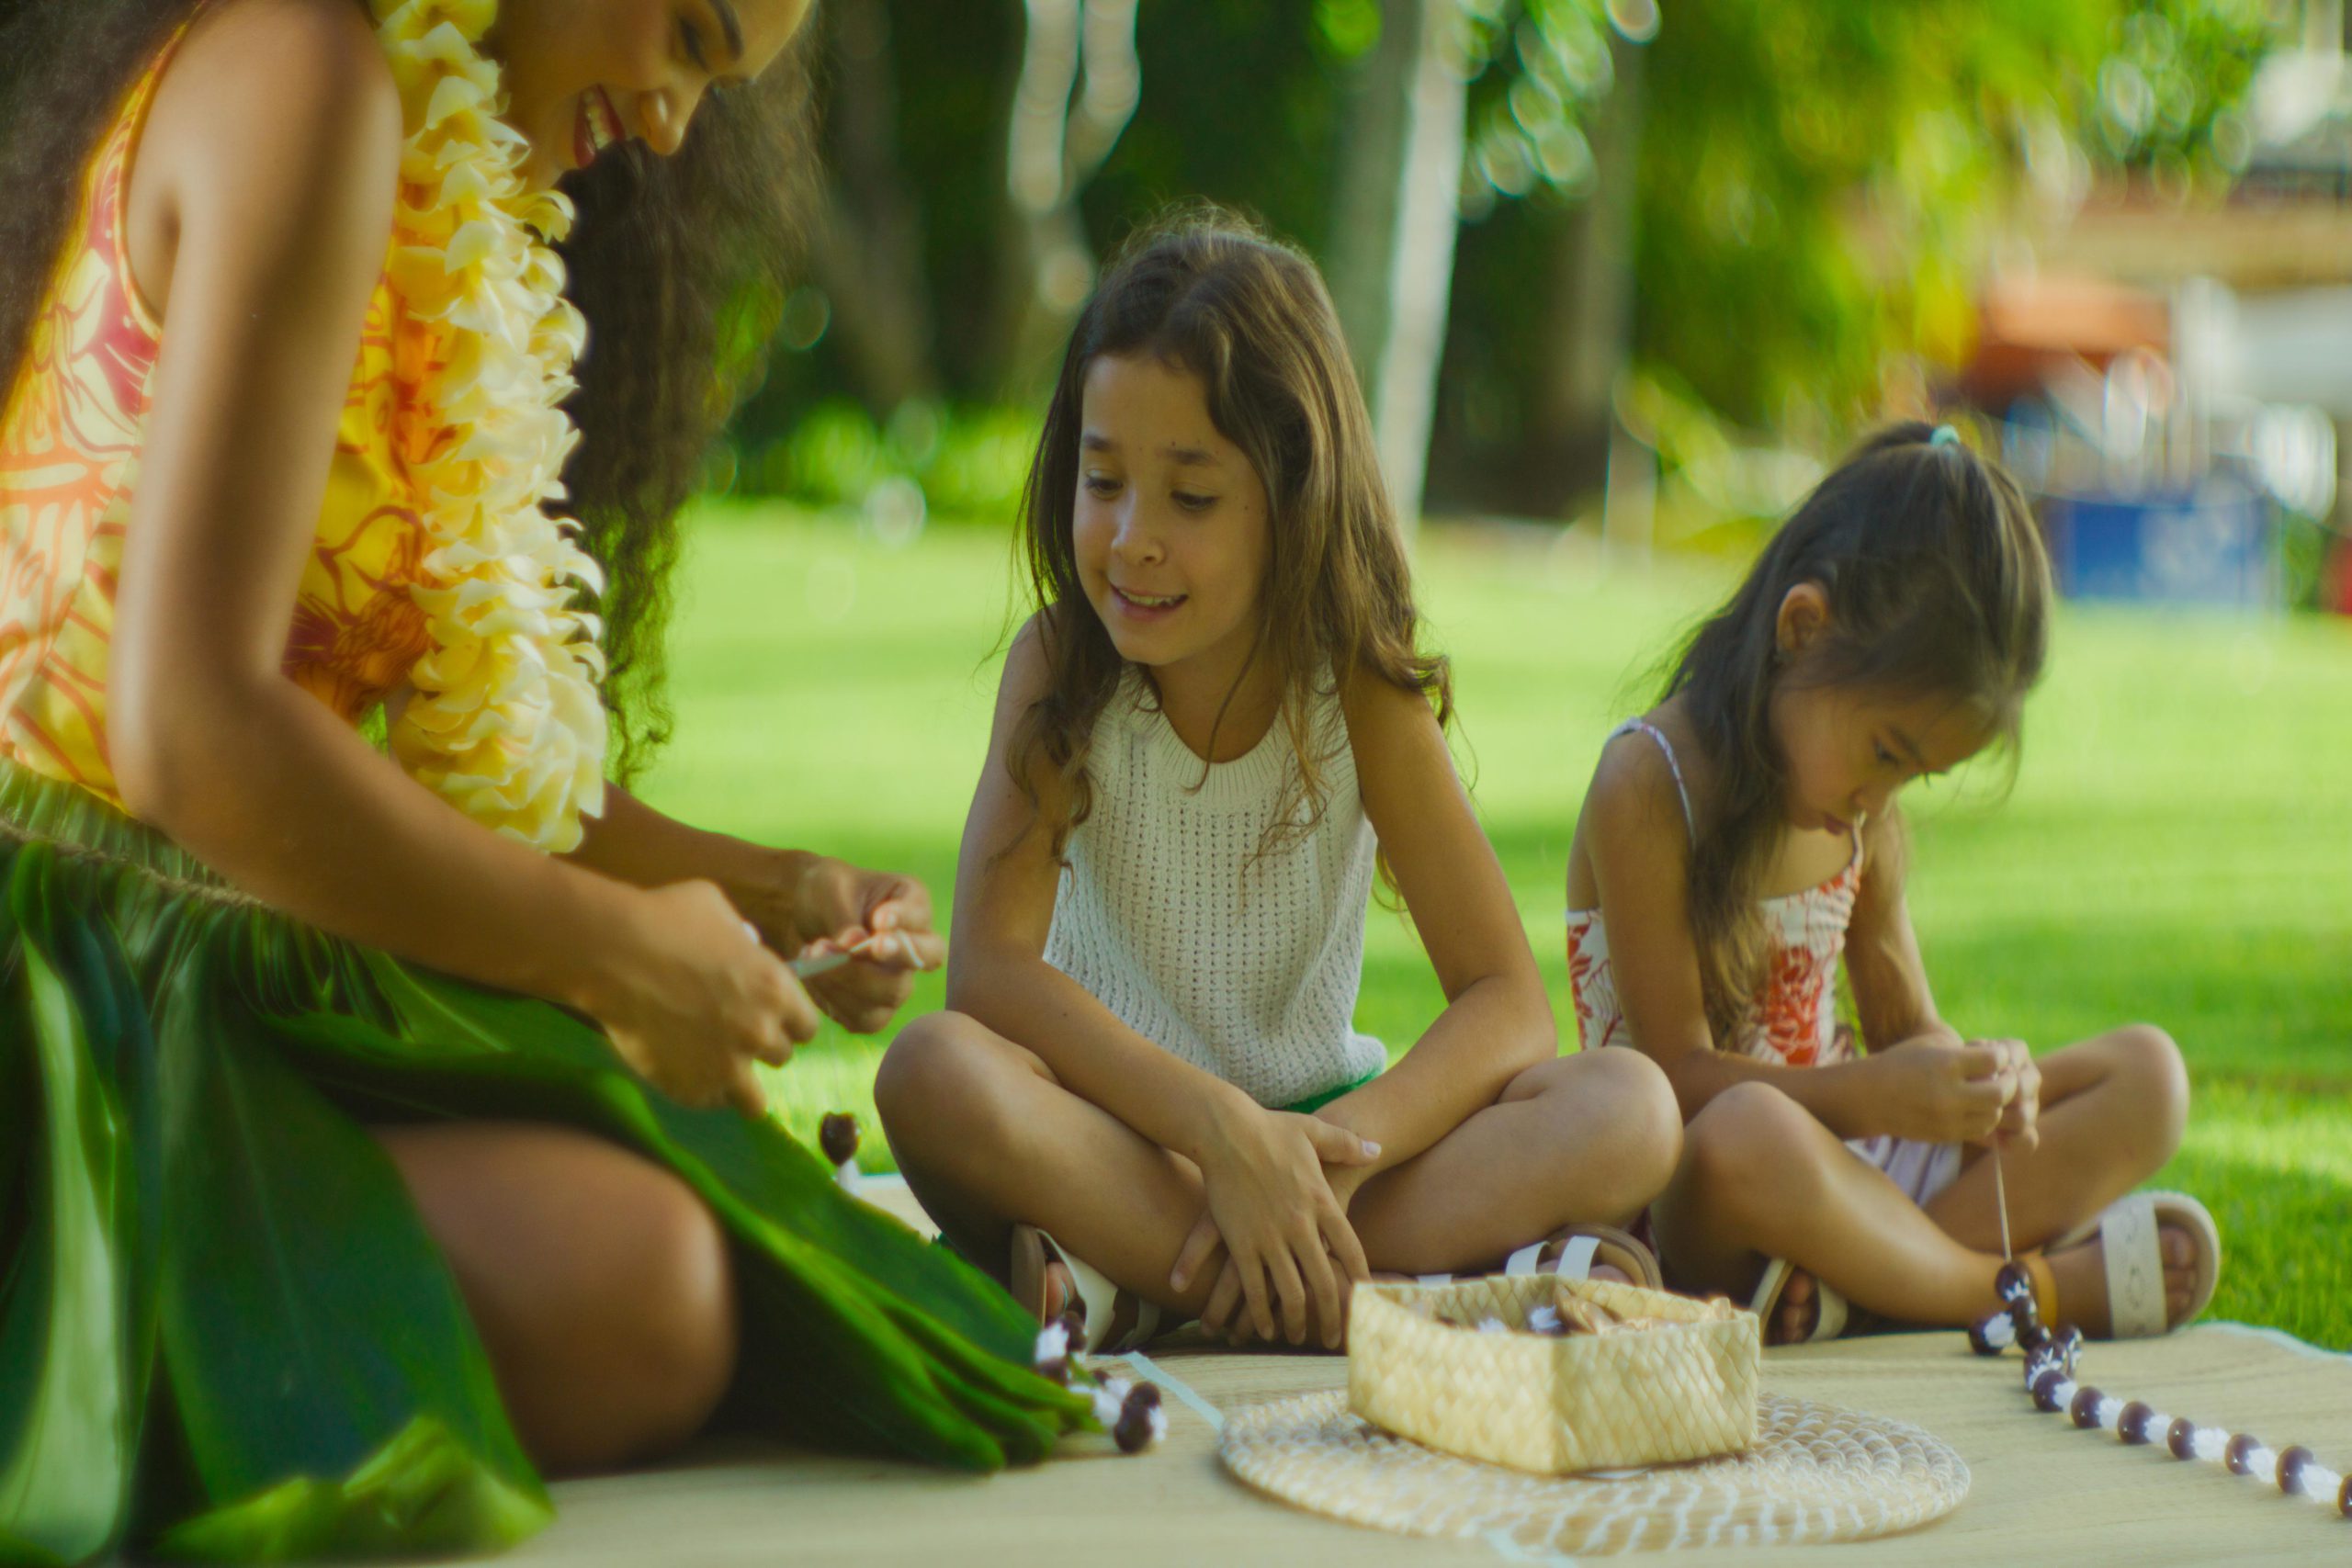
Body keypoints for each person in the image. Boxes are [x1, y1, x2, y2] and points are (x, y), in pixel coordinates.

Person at [0, 2, 1087, 1560]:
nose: (671, 128)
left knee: (726, 1211)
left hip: (216, 934)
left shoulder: (424, 156)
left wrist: (779, 894)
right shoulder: (305, 78)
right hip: (77, 983)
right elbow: (190, 731)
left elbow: (464, 779)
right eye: (693, 40)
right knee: (657, 1285)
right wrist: (609, 952)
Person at [875, 213, 1682, 1357]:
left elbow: (1506, 1002)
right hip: (1123, 1136)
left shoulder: (1356, 691)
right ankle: (1351, 1295)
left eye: (1191, 499)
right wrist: (1215, 1133)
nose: (1130, 539)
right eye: (1103, 481)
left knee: (1629, 1108)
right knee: (931, 1071)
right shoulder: (1061, 670)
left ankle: (1141, 1284)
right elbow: (991, 975)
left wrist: (1319, 1158)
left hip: (1334, 1157)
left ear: (1294, 495)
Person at [1561, 421, 2222, 1348]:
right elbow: (1677, 1082)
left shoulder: (1859, 813)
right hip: (1707, 1196)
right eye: (1885, 753)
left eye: (1913, 777)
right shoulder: (1650, 784)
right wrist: (1879, 1095)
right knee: (1747, 1129)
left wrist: (1973, 1080)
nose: (1879, 803)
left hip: (1846, 1173)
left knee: (2147, 1074)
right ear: (1801, 629)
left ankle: (1858, 1295)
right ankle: (2013, 1288)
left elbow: (1906, 1027)